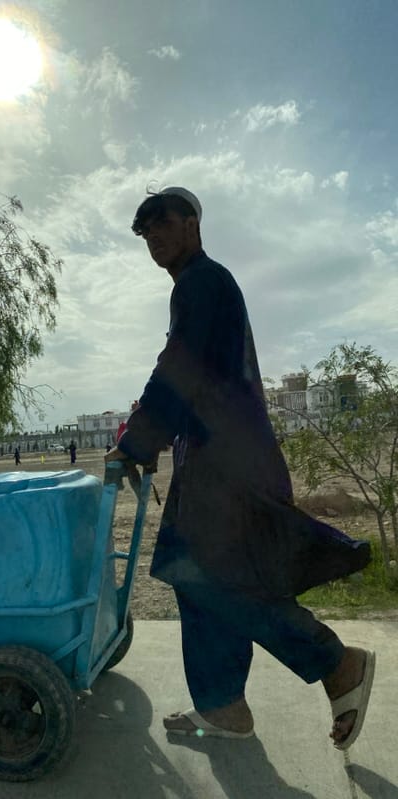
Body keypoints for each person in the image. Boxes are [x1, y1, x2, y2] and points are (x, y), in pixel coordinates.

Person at [105, 186, 374, 749]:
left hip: (228, 469)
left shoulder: (202, 282)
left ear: (192, 223)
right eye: (145, 230)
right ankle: (223, 705)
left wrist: (136, 442)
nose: (153, 236)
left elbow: (179, 368)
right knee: (201, 579)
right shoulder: (201, 286)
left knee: (226, 585)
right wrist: (150, 435)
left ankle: (336, 663)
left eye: (162, 222)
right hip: (219, 461)